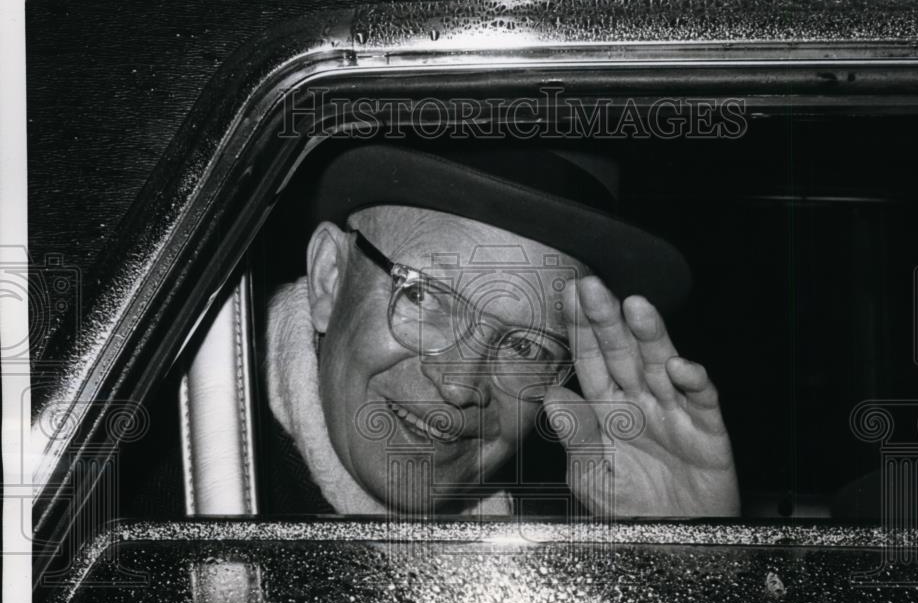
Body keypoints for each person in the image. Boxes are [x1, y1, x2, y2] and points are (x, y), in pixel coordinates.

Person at [265, 143, 739, 518]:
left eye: (526, 346)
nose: (459, 387)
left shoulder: (561, 538)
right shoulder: (226, 482)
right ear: (330, 277)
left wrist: (688, 564)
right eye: (424, 296)